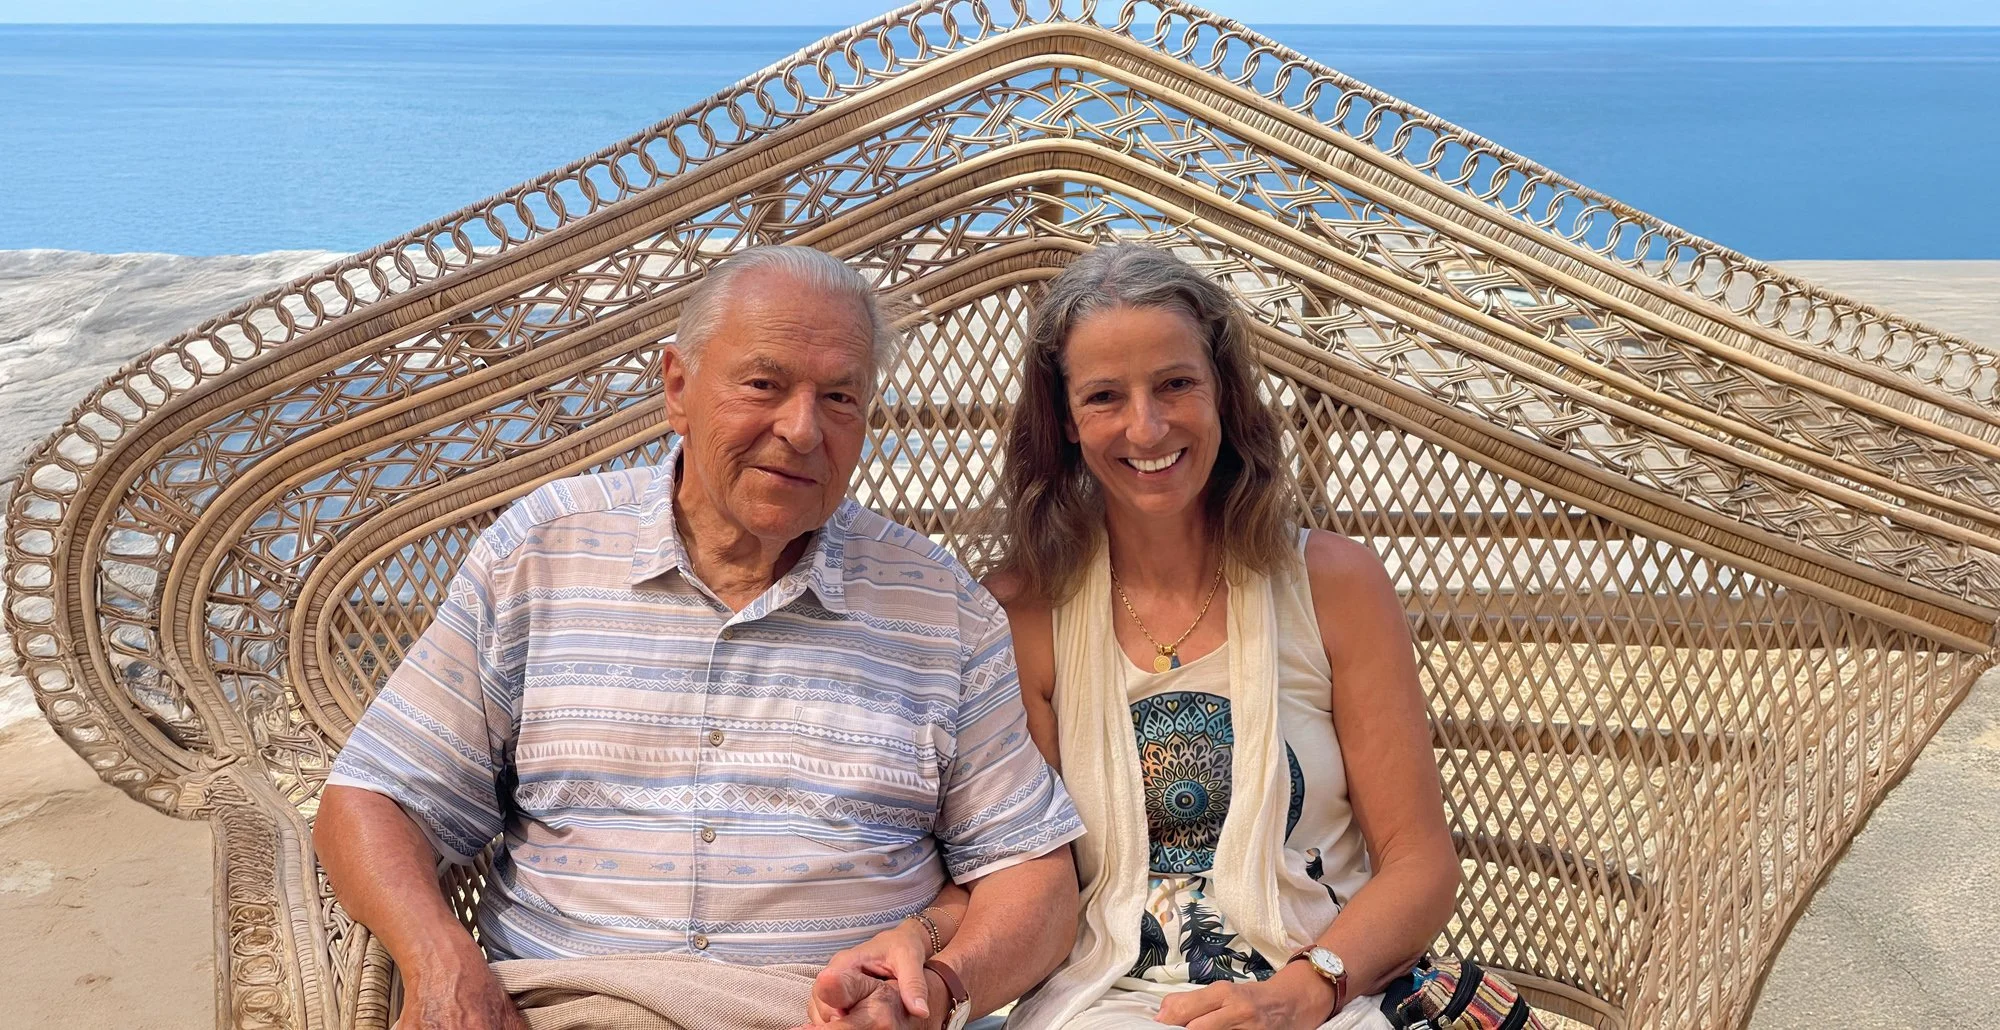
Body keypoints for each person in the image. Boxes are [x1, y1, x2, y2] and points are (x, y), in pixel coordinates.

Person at [314, 245, 1084, 1030]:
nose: (802, 429)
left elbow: (1036, 877)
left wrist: (940, 989)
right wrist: (440, 963)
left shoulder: (940, 608)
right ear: (678, 387)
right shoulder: (541, 555)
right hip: (575, 1008)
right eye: (764, 385)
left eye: (839, 397)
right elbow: (374, 797)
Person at [983, 245, 1460, 1030]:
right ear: (1065, 422)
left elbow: (1420, 863)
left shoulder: (1334, 585)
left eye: (1176, 384)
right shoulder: (1023, 613)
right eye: (1104, 396)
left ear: (1223, 393)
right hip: (1103, 1002)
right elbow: (1026, 876)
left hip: (1325, 992)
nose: (1147, 426)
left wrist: (1304, 991)